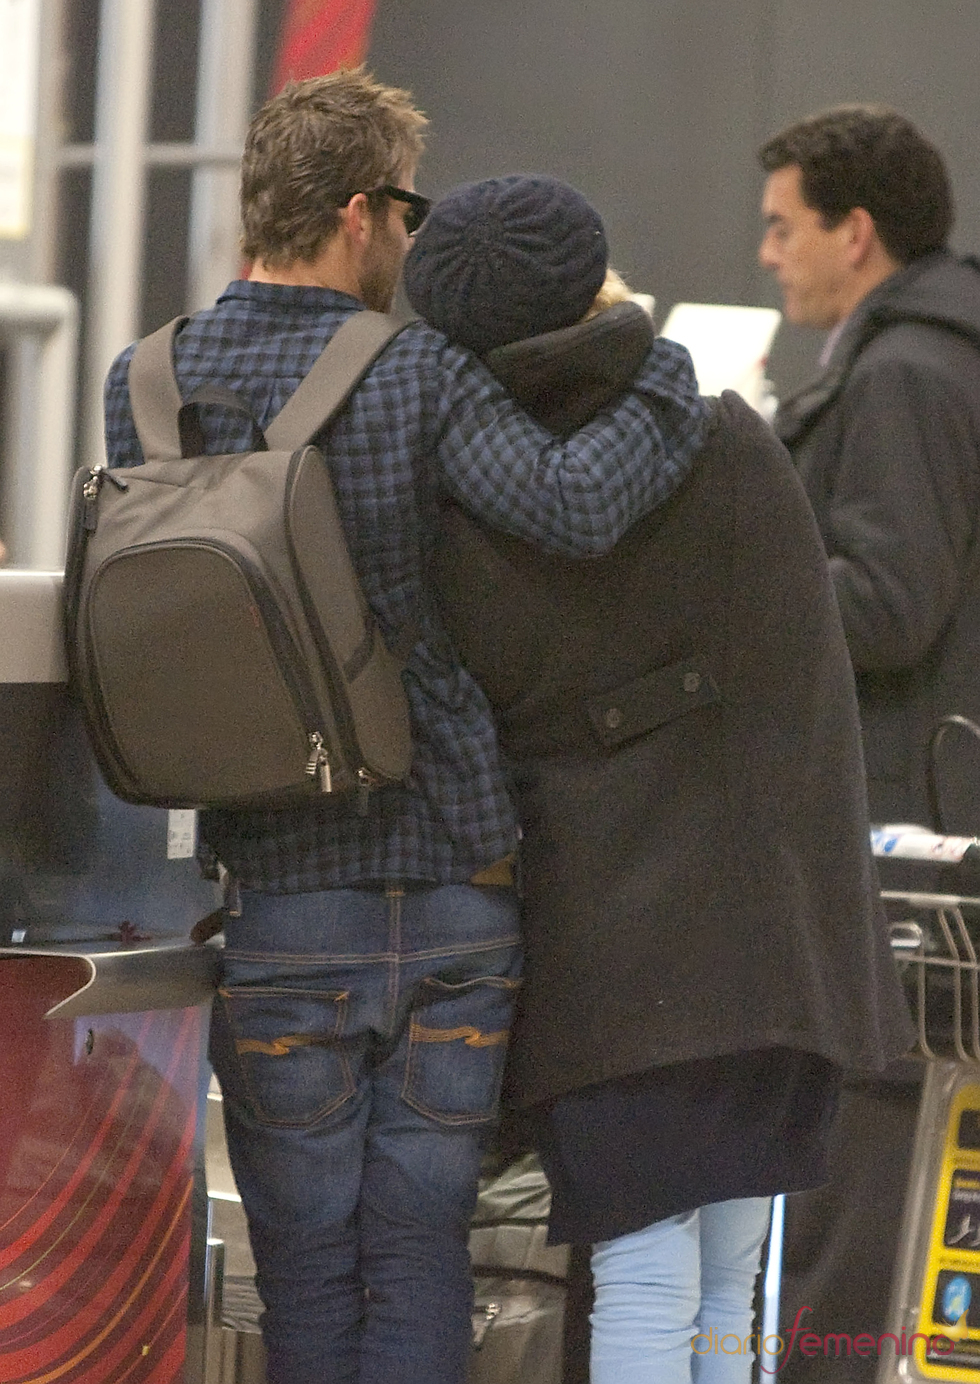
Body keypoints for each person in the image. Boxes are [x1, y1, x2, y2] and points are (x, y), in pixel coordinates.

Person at [101, 71, 708, 1384]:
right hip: (448, 890)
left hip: (273, 897)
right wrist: (661, 367)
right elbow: (577, 507)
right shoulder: (415, 369)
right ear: (365, 213)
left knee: (306, 1265)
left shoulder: (144, 386)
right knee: (423, 1244)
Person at [402, 173, 913, 1384]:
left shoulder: (455, 500)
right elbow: (809, 694)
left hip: (612, 955)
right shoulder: (727, 439)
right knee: (735, 1264)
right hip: (775, 945)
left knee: (639, 1264)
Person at [757, 105, 980, 1379]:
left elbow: (888, 604)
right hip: (921, 841)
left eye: (785, 226)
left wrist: (749, 594)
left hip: (895, 863)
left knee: (861, 1214)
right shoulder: (931, 355)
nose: (767, 253)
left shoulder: (901, 373)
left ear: (856, 231)